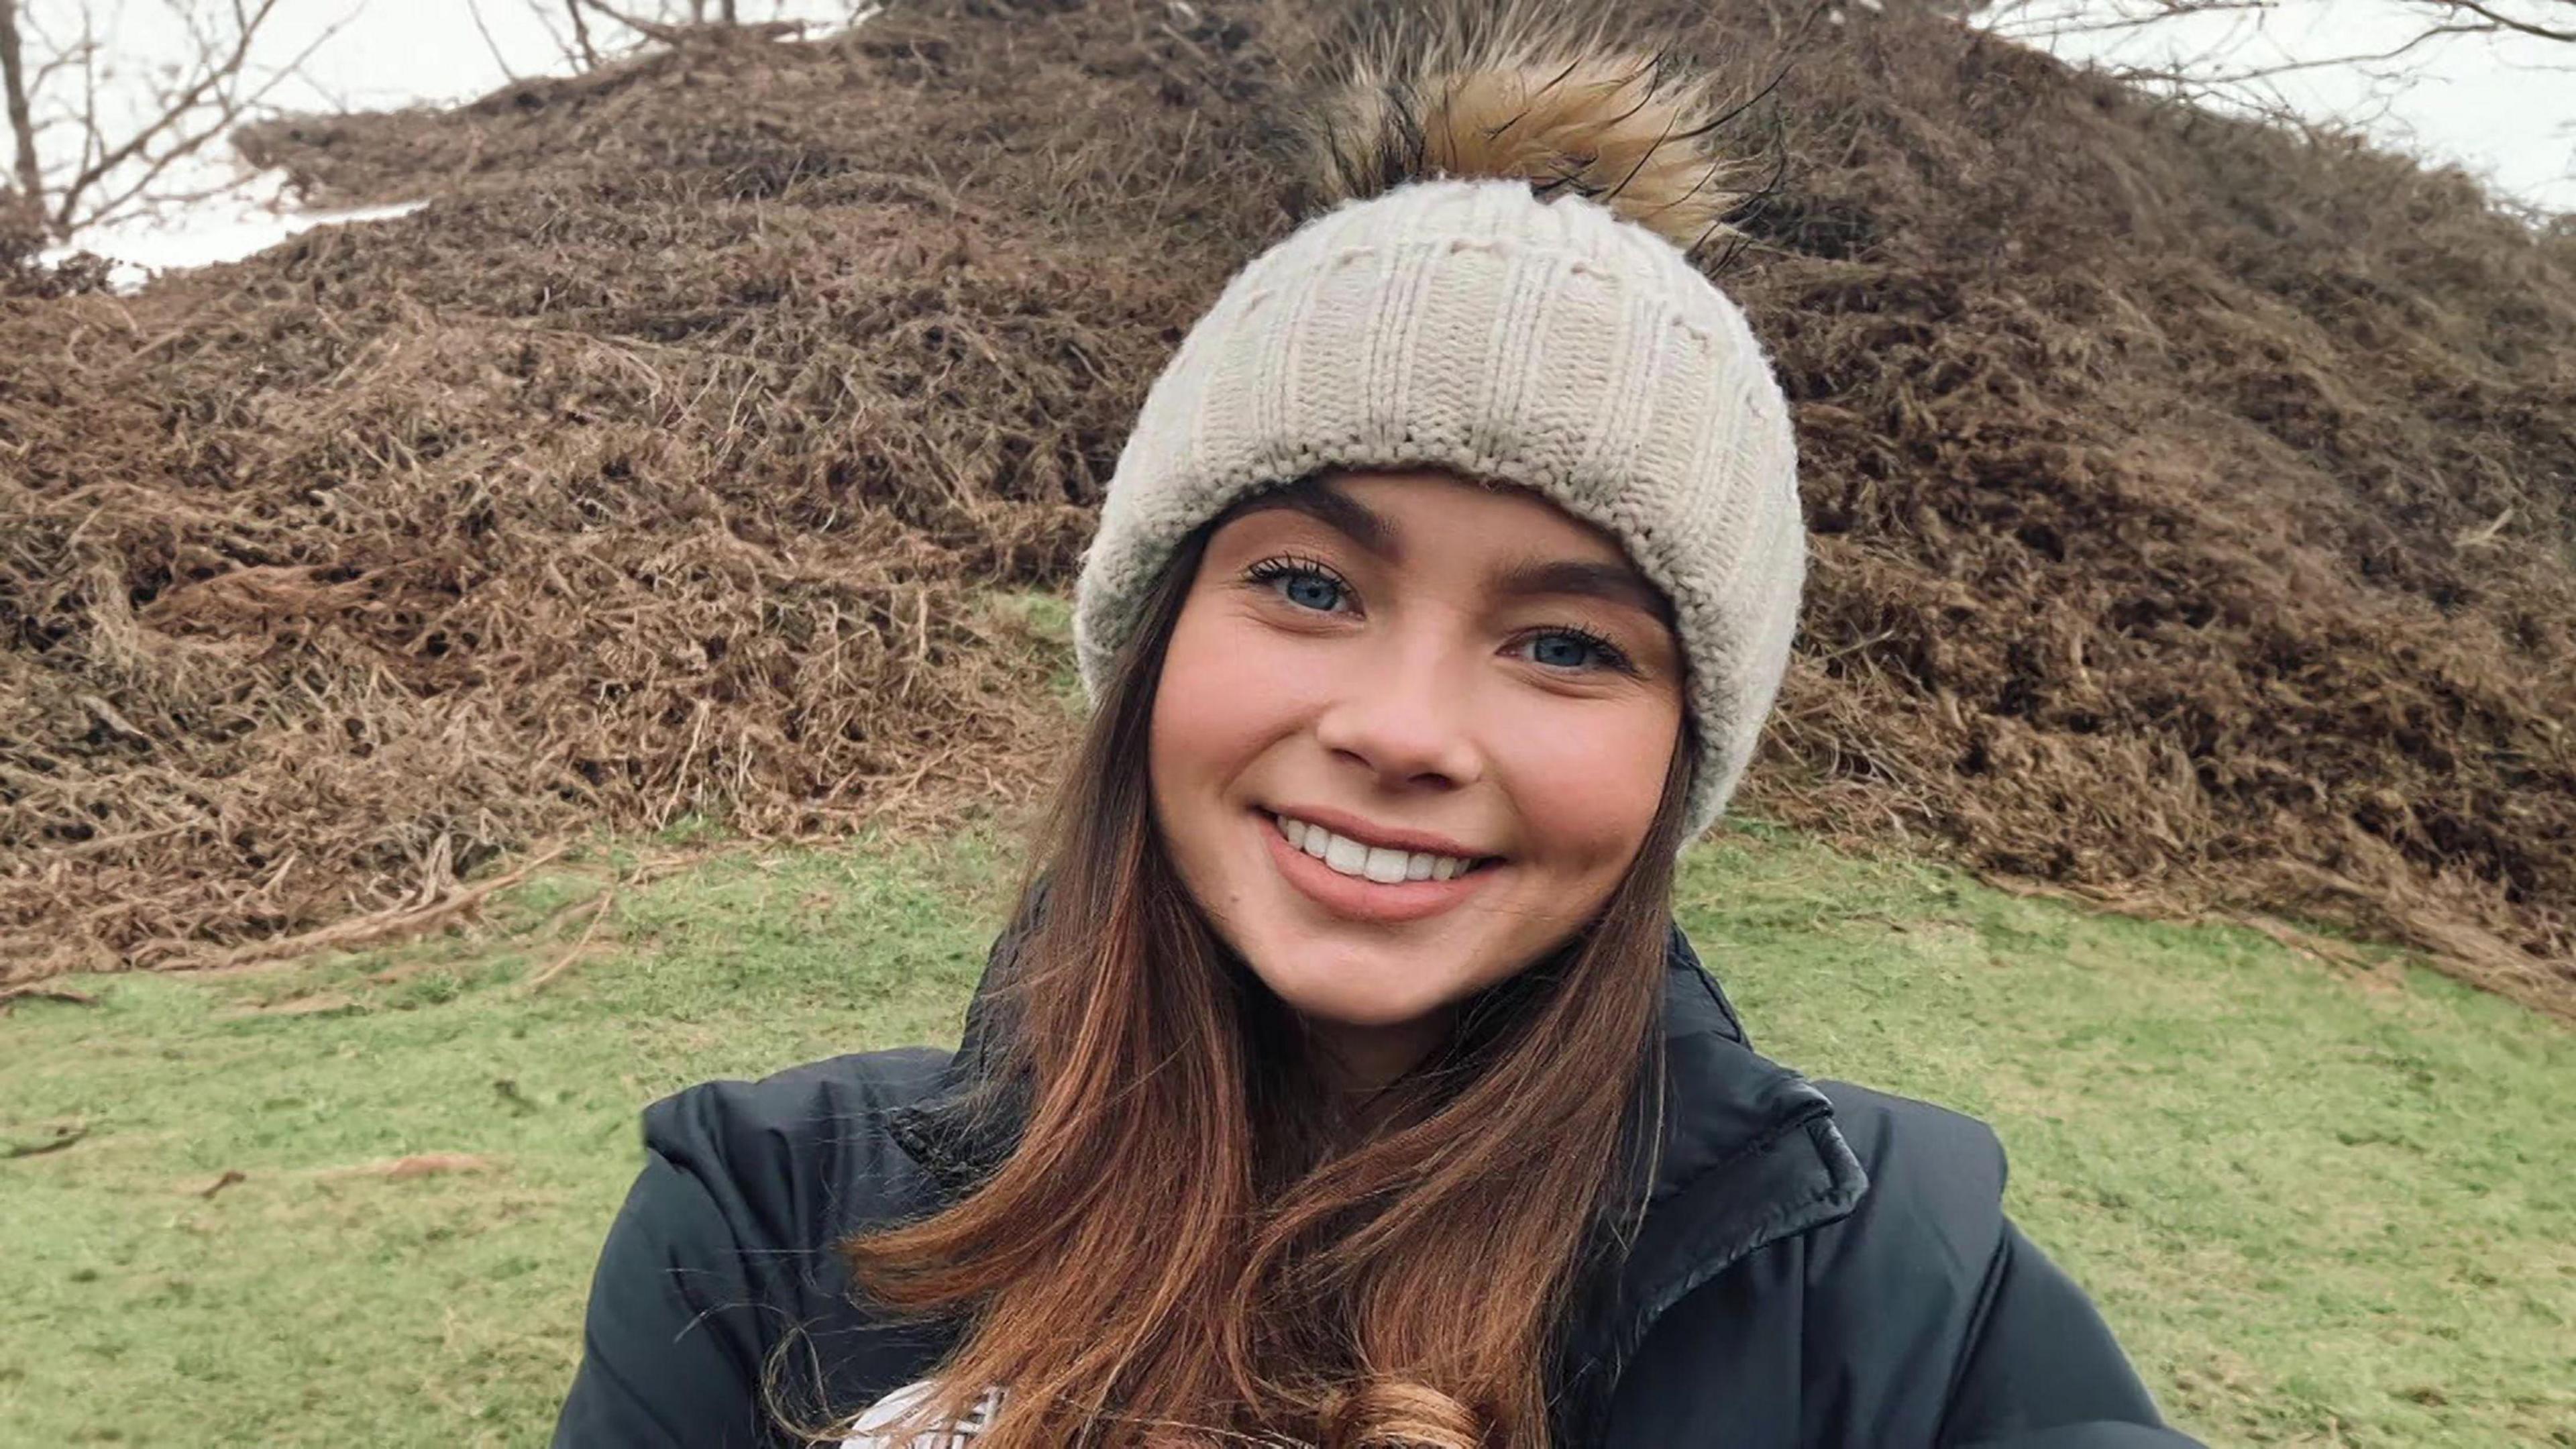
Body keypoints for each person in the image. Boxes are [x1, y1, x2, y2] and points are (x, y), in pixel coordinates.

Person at [551, 17, 2204, 1449]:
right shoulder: (761, 1228)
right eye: (1309, 585)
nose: (1406, 731)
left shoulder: (1894, 1291)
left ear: (1680, 755)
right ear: (1154, 641)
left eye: (1566, 644)